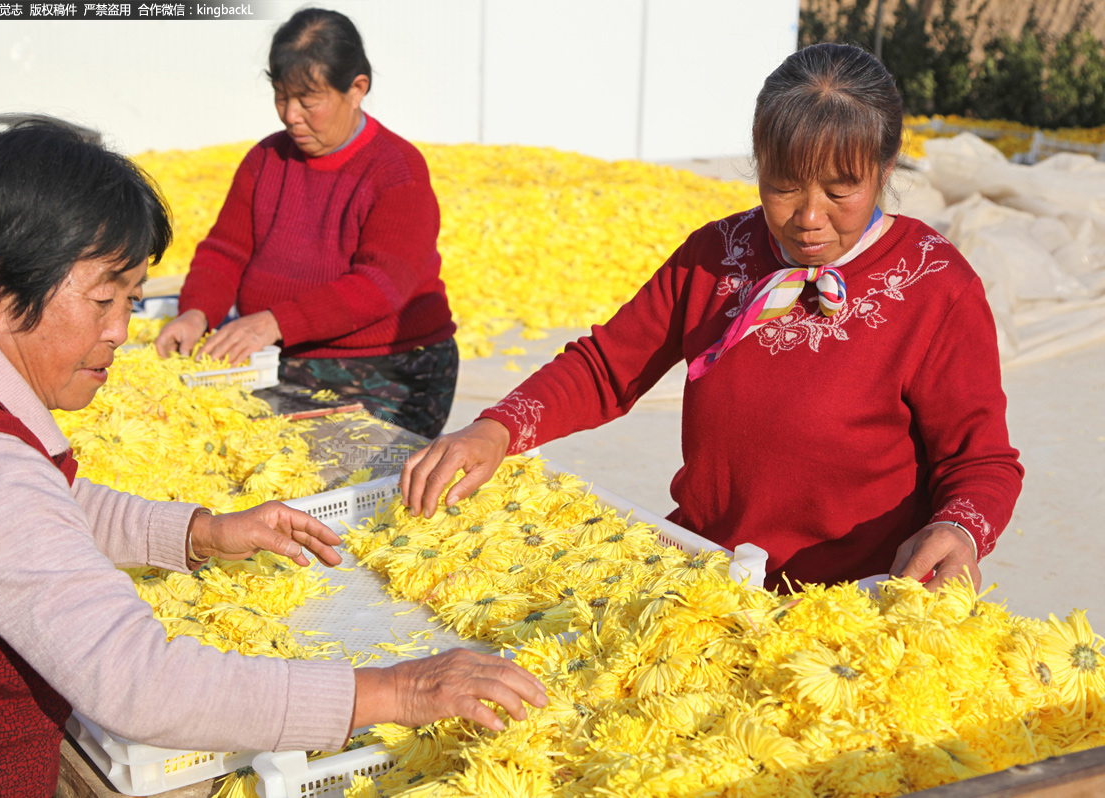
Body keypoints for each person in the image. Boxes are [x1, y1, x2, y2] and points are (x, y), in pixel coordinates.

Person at [0, 123, 545, 798]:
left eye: (131, 300)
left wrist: (198, 533)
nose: (121, 331)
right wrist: (398, 690)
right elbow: (139, 682)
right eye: (103, 300)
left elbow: (39, 508)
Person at [400, 43, 1024, 593]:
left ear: (886, 170)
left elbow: (979, 460)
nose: (809, 218)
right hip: (705, 577)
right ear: (757, 163)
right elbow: (606, 367)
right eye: (783, 187)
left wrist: (959, 529)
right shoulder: (717, 257)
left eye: (840, 191)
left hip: (854, 605)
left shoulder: (932, 284)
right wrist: (498, 430)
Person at [155, 7, 457, 439]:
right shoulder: (266, 159)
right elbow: (226, 251)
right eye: (281, 96)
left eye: (307, 101)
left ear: (356, 89)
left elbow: (379, 286)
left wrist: (274, 322)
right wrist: (196, 313)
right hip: (287, 357)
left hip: (390, 368)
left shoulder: (397, 172)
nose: (290, 115)